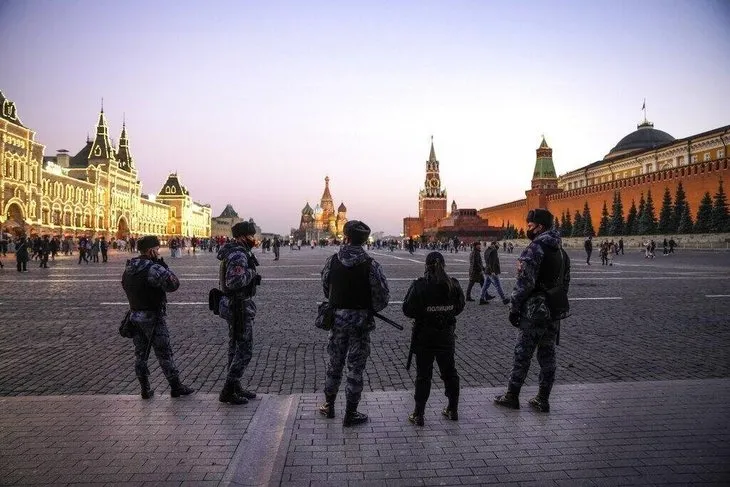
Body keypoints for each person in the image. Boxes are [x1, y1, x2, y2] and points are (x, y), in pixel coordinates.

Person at [494, 208, 571, 413]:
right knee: (547, 355)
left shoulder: (535, 248)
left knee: (523, 354)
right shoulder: (561, 252)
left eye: (530, 226)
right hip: (553, 311)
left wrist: (514, 307)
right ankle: (542, 399)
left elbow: (525, 283)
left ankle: (512, 395)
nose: (528, 229)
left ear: (540, 226)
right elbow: (565, 283)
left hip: (534, 311)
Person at [318, 220, 390, 426]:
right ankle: (351, 412)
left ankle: (329, 406)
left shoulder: (332, 261)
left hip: (337, 321)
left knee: (334, 364)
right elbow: (382, 297)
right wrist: (367, 308)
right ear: (364, 240)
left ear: (346, 237)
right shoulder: (371, 265)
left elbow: (326, 288)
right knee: (355, 368)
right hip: (360, 323)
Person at [121, 235, 194, 399]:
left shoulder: (129, 267)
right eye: (156, 249)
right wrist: (162, 266)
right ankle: (176, 386)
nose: (158, 252)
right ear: (150, 251)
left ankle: (144, 389)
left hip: (134, 316)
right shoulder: (152, 268)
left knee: (140, 354)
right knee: (164, 354)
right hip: (152, 317)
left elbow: (124, 284)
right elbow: (173, 284)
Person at [402, 251, 465, 426]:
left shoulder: (420, 285)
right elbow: (460, 306)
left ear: (426, 266)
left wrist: (426, 313)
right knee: (450, 372)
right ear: (444, 265)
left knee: (423, 376)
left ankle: (419, 414)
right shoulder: (453, 284)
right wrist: (444, 313)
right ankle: (453, 409)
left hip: (424, 336)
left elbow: (407, 309)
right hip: (446, 335)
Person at [216, 222, 261, 405]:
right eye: (251, 236)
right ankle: (228, 390)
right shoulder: (238, 254)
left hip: (235, 304)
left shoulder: (235, 251)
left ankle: (235, 385)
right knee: (245, 350)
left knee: (234, 347)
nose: (254, 239)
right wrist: (251, 273)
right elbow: (235, 281)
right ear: (243, 237)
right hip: (238, 305)